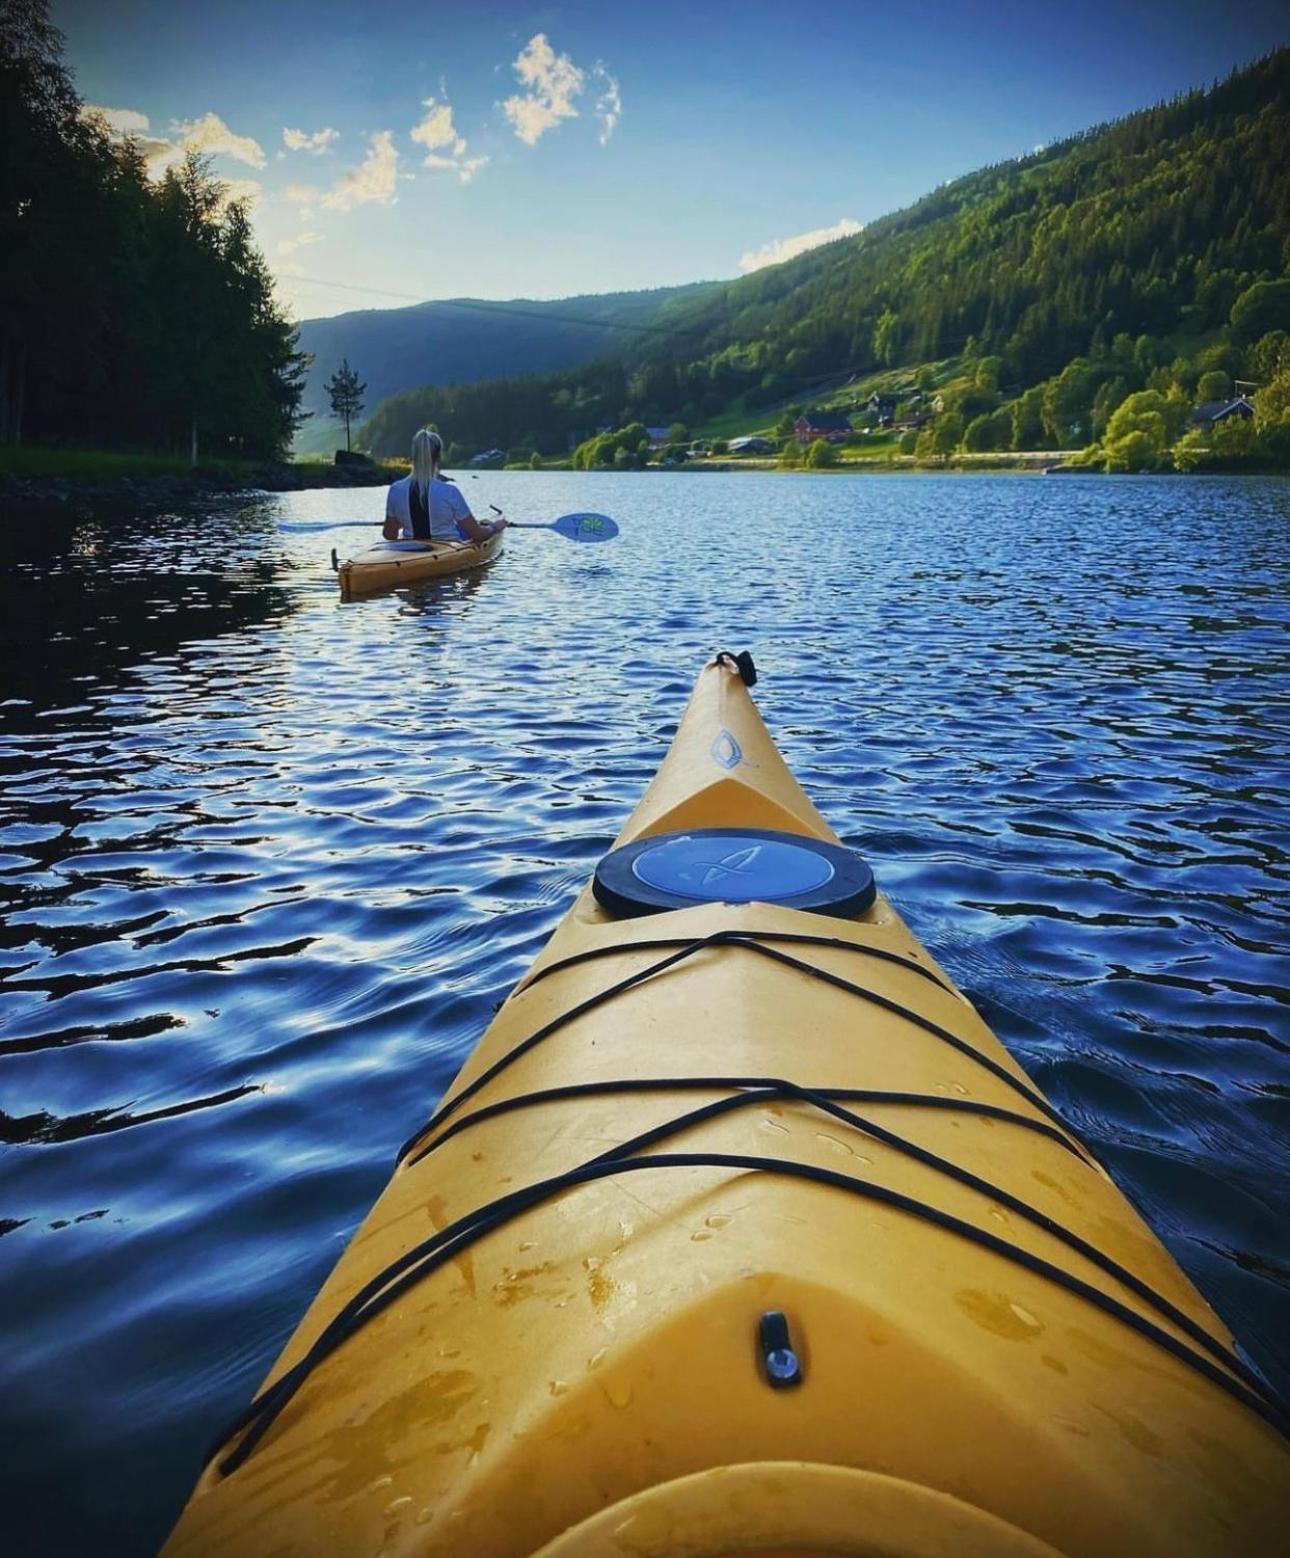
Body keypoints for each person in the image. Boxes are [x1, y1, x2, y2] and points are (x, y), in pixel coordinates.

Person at [383, 429, 507, 545]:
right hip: (447, 548)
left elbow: (389, 535)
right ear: (438, 458)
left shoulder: (396, 490)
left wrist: (403, 520)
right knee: (472, 528)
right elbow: (478, 535)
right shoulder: (449, 492)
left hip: (410, 549)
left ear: (414, 456)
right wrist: (495, 527)